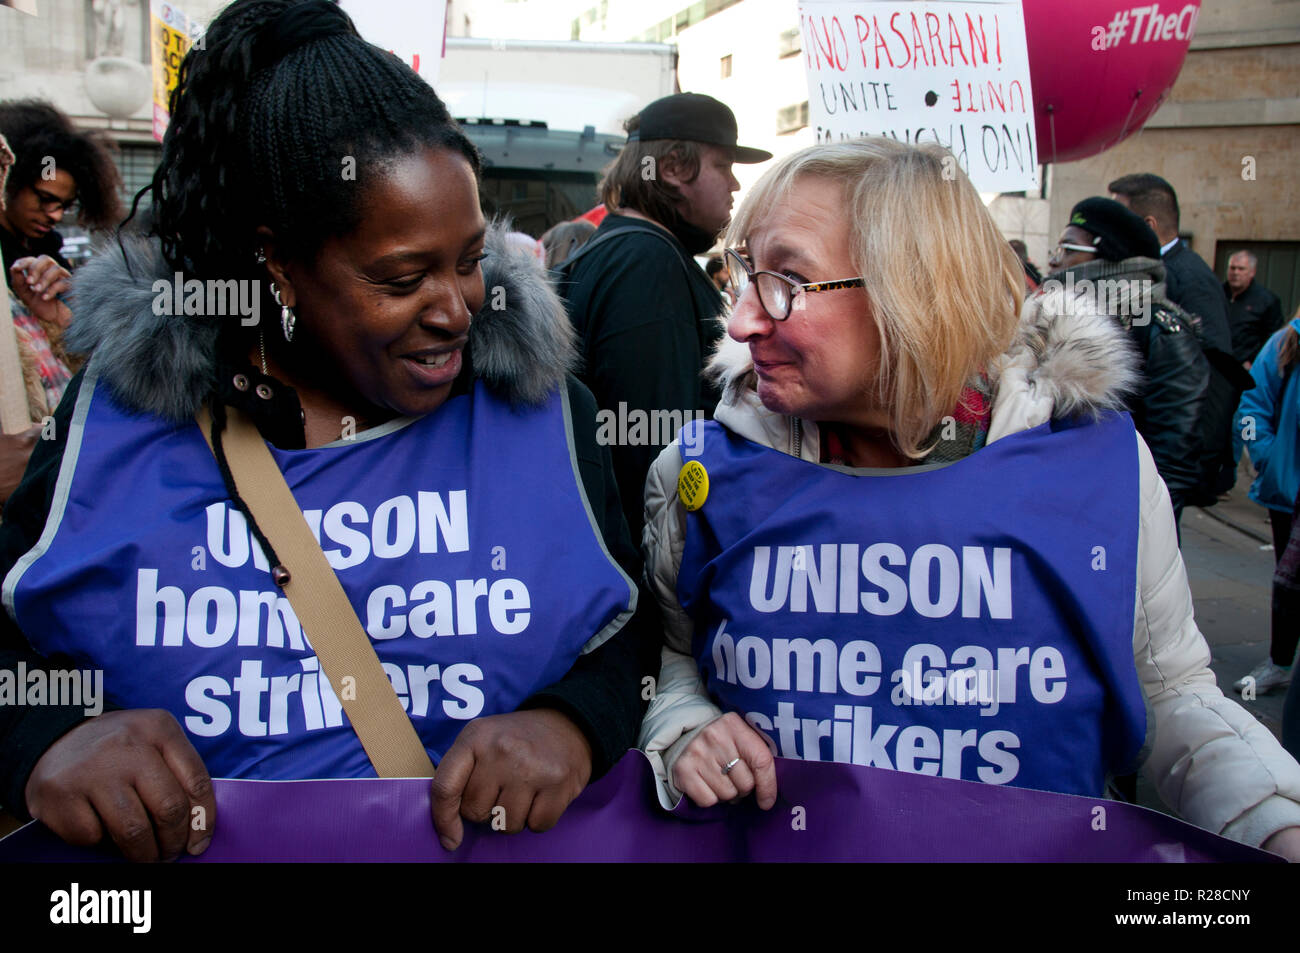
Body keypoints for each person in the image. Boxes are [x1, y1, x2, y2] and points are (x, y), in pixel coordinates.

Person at [0, 0, 657, 862]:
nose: (456, 309)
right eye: (401, 276)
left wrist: (572, 722)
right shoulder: (116, 416)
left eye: (466, 260)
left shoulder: (544, 416)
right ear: (279, 264)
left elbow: (636, 628)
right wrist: (48, 733)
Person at [636, 139, 1300, 858]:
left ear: (915, 291)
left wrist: (1274, 820)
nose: (740, 322)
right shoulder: (698, 476)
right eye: (745, 275)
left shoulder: (1098, 466)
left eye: (786, 282)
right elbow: (673, 659)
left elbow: (1171, 696)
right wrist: (683, 726)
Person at [556, 92, 770, 543]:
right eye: (723, 165)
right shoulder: (646, 260)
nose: (734, 185)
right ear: (672, 168)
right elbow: (650, 449)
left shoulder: (628, 249)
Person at [1041, 196, 1209, 527]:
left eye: (1067, 249)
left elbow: (1172, 462)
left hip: (1118, 521)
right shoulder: (1048, 321)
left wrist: (1142, 536)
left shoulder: (1162, 331)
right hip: (1057, 508)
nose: (1054, 263)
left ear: (1110, 258)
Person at [1108, 173, 1242, 504]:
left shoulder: (1190, 279)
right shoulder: (1145, 272)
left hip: (1161, 473)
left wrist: (1178, 479)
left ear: (1148, 224)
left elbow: (1215, 375)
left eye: (1118, 220)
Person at [1233, 311, 1300, 696]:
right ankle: (1281, 661)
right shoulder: (1284, 343)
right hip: (1291, 494)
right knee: (1290, 585)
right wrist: (1266, 457)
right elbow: (1250, 404)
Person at [0, 99, 122, 290]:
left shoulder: (49, 252)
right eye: (45, 199)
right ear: (11, 180)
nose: (55, 215)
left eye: (65, 206)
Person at [1225, 250, 1284, 369]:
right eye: (1232, 268)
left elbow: (1273, 338)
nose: (1235, 273)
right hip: (1212, 365)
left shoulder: (1267, 301)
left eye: (1241, 269)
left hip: (1242, 368)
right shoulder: (1216, 294)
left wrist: (1253, 362)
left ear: (1252, 272)